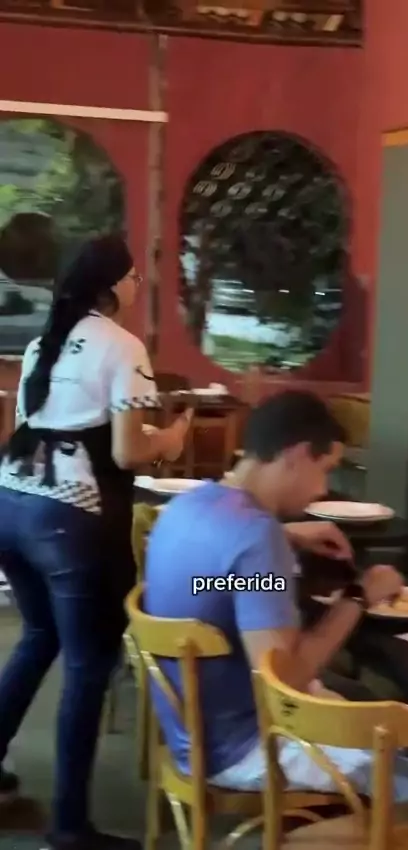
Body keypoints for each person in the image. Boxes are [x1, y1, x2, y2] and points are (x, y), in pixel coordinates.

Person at [145, 390, 408, 811]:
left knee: (361, 697)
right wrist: (358, 595)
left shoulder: (188, 506)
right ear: (296, 455)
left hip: (191, 729)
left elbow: (208, 582)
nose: (322, 489)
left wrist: (286, 536)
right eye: (325, 470)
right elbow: (288, 682)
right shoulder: (256, 538)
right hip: (247, 745)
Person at [0, 234, 191, 850]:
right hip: (70, 517)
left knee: (39, 636)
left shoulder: (42, 343)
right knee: (87, 667)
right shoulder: (122, 344)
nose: (138, 288)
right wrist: (171, 440)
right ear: (111, 286)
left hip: (11, 505)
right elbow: (129, 452)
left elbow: (42, 425)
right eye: (134, 278)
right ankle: (69, 826)